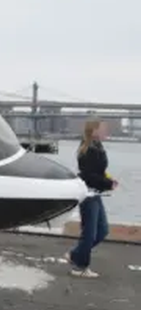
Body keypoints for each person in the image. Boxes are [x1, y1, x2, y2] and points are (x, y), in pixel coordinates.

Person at [66, 119, 117, 278]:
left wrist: (108, 180)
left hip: (95, 193)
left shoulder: (97, 146)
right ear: (94, 130)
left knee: (102, 231)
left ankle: (75, 254)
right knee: (89, 233)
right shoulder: (87, 149)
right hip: (88, 194)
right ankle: (79, 267)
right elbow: (87, 175)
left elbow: (98, 171)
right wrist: (108, 183)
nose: (106, 131)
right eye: (103, 128)